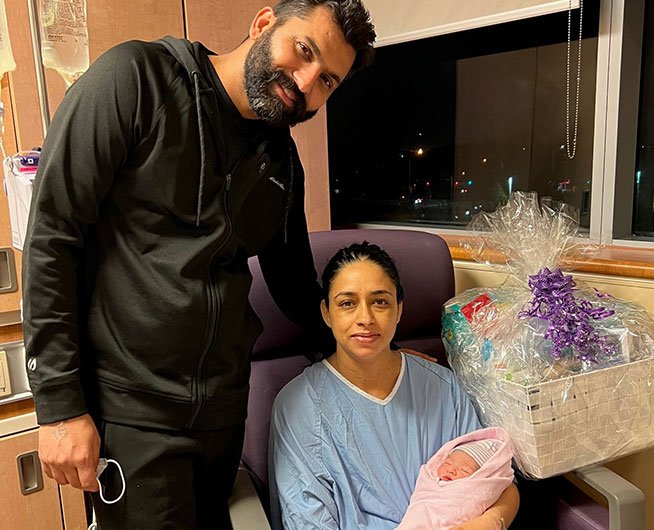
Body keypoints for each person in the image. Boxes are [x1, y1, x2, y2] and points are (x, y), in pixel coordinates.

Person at [22, 1, 375, 528]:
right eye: (303, 51)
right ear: (263, 23)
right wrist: (58, 406)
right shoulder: (136, 80)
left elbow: (297, 287)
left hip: (222, 420)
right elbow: (52, 238)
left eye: (326, 80)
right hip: (132, 417)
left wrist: (380, 356)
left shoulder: (280, 163)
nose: (305, 83)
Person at [269, 242, 520, 530]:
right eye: (347, 303)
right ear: (327, 312)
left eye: (380, 301)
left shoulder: (444, 388)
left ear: (399, 310)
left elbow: (500, 481)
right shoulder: (298, 406)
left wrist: (489, 522)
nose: (365, 318)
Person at [397, 427, 515, 530]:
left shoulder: (473, 489)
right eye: (447, 463)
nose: (451, 470)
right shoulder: (429, 482)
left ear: (479, 478)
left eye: (464, 470)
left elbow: (504, 488)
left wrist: (490, 519)